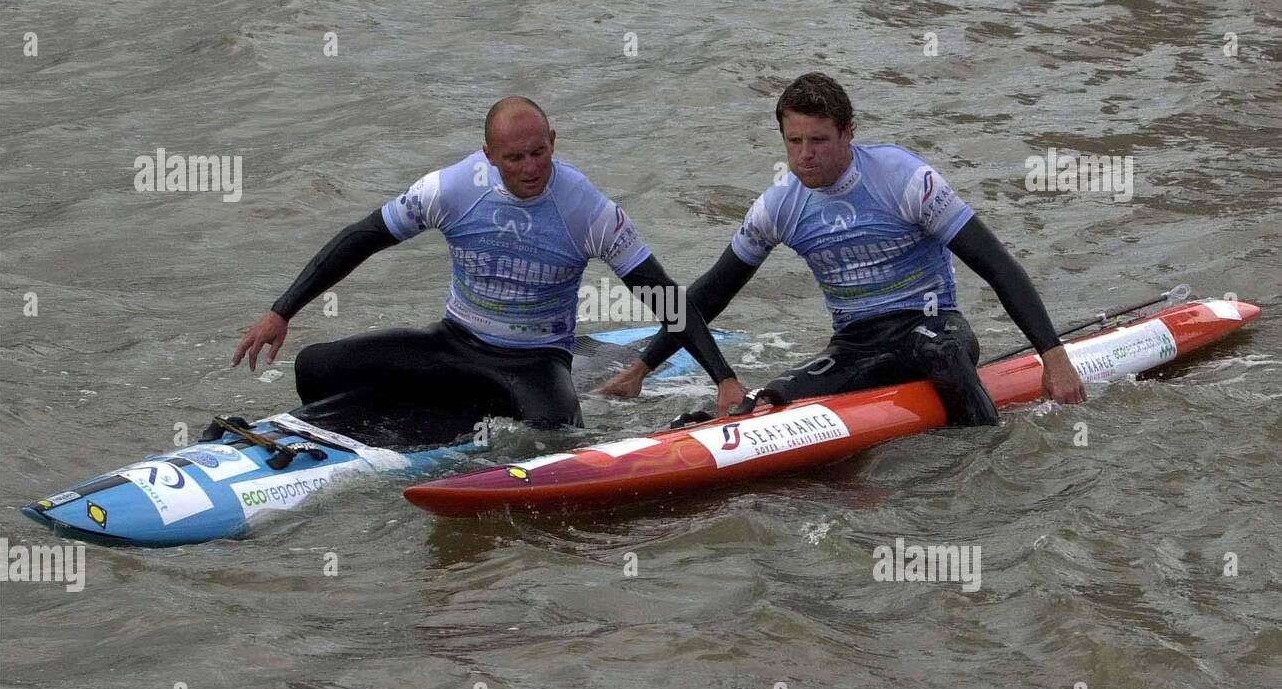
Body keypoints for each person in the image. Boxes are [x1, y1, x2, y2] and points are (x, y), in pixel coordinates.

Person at [232, 96, 747, 430]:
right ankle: (398, 424)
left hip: (536, 360)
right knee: (316, 367)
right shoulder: (453, 189)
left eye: (538, 153)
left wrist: (721, 378)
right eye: (514, 158)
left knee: (554, 434)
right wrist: (282, 312)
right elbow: (363, 238)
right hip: (455, 344)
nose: (530, 168)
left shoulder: (587, 209)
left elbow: (660, 293)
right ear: (488, 155)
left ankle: (446, 417)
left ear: (554, 143)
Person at [598, 72, 1085, 423]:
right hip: (855, 345)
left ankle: (983, 466)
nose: (805, 155)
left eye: (819, 140)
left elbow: (997, 265)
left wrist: (1054, 356)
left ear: (849, 133)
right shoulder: (778, 207)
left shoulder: (905, 180)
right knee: (772, 401)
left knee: (943, 354)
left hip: (932, 325)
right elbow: (710, 294)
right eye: (794, 142)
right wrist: (643, 366)